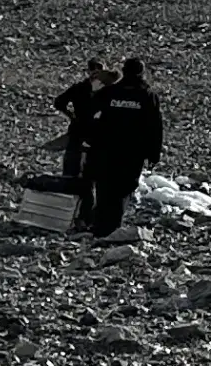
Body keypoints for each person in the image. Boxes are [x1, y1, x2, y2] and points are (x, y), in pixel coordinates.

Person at [79, 57, 166, 236]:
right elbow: (155, 127)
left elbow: (89, 114)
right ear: (142, 73)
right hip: (132, 152)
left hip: (105, 148)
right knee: (123, 188)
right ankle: (112, 227)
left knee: (105, 186)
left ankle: (100, 226)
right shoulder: (147, 95)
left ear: (124, 72)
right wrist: (153, 154)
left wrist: (88, 139)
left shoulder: (110, 92)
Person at [54, 56, 114, 198]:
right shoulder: (103, 90)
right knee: (77, 167)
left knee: (77, 168)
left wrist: (72, 116)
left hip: (84, 130)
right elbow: (59, 102)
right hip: (90, 132)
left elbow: (59, 102)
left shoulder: (83, 88)